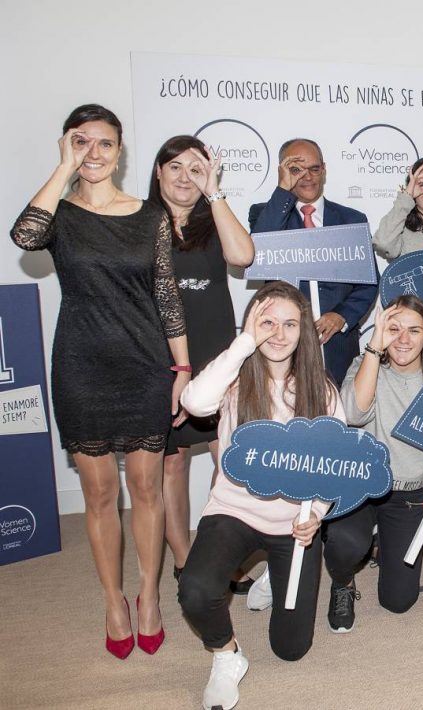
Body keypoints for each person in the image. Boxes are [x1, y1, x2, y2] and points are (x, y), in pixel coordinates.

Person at [10, 104, 188, 659]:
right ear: (68, 146)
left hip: (143, 367)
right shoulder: (59, 215)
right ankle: (113, 600)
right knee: (100, 493)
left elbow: (166, 296)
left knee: (145, 490)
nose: (94, 153)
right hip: (82, 367)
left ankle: (148, 596)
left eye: (104, 143)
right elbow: (24, 235)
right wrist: (63, 170)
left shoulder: (148, 215)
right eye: (81, 142)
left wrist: (181, 370)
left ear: (120, 151)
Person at [177, 282, 341, 710]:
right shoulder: (233, 380)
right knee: (195, 590)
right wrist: (244, 343)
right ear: (251, 324)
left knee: (291, 649)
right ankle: (226, 655)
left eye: (290, 324)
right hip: (235, 511)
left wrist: (317, 515)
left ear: (303, 330)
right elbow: (194, 403)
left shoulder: (321, 390)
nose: (279, 333)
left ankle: (273, 574)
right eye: (268, 322)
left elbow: (334, 466)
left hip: (293, 525)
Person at [150, 135, 255, 582]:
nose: (184, 176)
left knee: (224, 456)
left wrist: (215, 191)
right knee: (171, 461)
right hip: (159, 352)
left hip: (214, 351)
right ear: (158, 173)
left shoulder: (215, 216)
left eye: (196, 168)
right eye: (175, 166)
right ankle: (183, 558)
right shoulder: (140, 221)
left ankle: (219, 554)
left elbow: (243, 256)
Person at [321, 295, 423, 632]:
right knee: (344, 543)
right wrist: (374, 349)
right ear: (381, 332)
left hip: (407, 493)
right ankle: (343, 583)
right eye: (394, 329)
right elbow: (352, 413)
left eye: (414, 330)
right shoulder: (365, 365)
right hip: (361, 485)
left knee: (398, 602)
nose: (404, 339)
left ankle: (384, 544)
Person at [249, 138, 377, 384]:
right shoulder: (267, 213)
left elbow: (368, 281)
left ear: (324, 170)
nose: (307, 177)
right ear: (283, 172)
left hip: (337, 347)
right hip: (284, 345)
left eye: (314, 169)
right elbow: (259, 252)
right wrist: (283, 190)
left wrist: (342, 316)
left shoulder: (351, 219)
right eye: (296, 169)